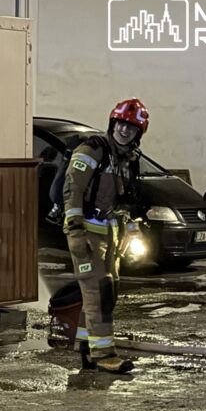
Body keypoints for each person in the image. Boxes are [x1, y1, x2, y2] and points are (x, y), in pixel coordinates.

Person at [61, 99, 149, 374]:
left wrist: (131, 229)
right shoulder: (93, 150)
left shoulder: (127, 160)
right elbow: (72, 189)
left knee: (103, 294)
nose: (125, 130)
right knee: (98, 293)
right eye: (121, 124)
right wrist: (75, 231)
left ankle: (87, 349)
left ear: (139, 132)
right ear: (113, 123)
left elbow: (128, 201)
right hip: (87, 235)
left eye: (132, 127)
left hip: (110, 237)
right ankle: (104, 355)